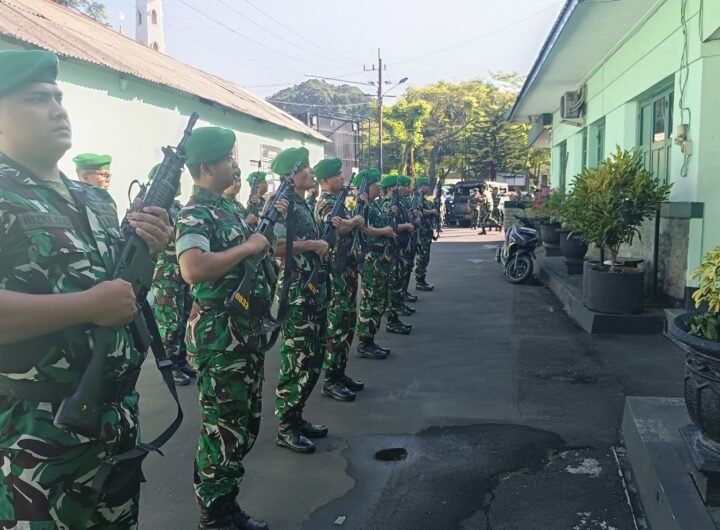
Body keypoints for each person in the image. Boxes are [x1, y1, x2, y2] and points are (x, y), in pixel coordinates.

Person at [0, 49, 172, 529]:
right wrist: (86, 306)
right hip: (35, 432)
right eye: (38, 99)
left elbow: (118, 289)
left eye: (59, 97)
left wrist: (151, 251)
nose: (57, 109)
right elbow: (97, 300)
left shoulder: (95, 199)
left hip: (113, 421)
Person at [176, 127, 285, 530]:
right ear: (207, 167)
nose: (233, 165)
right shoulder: (195, 213)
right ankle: (216, 512)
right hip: (220, 336)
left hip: (243, 331)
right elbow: (192, 268)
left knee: (243, 423)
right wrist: (248, 247)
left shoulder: (228, 208)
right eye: (227, 159)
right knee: (223, 426)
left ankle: (224, 500)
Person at [271, 147, 331, 455]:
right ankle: (286, 427)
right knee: (297, 361)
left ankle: (297, 416)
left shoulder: (302, 203)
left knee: (313, 359)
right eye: (306, 167)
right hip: (296, 295)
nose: (311, 171)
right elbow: (274, 245)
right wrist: (313, 244)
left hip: (312, 291)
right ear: (292, 175)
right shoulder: (282, 205)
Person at [313, 158, 366, 402]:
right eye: (337, 175)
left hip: (346, 272)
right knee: (337, 326)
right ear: (325, 180)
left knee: (347, 324)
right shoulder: (325, 203)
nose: (342, 178)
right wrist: (354, 221)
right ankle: (331, 379)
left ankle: (340, 372)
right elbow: (339, 228)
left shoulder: (338, 202)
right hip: (335, 275)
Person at [149, 163, 196, 387]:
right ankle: (170, 365)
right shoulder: (154, 207)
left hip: (179, 271)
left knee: (184, 316)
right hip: (166, 272)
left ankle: (180, 359)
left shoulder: (176, 206)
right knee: (170, 321)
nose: (178, 184)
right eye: (174, 180)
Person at [355, 169, 395, 358]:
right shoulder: (363, 207)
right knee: (371, 300)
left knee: (379, 299)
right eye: (374, 183)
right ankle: (365, 342)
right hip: (371, 258)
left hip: (380, 258)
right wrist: (384, 231)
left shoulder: (374, 205)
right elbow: (363, 230)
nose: (379, 186)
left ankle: (370, 339)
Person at [380, 175, 414, 335]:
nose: (400, 188)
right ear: (390, 188)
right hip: (391, 250)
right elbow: (390, 226)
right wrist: (406, 226)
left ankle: (396, 313)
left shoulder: (398, 203)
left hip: (399, 248)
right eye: (397, 186)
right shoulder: (387, 204)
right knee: (393, 284)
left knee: (398, 281)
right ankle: (392, 320)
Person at [414, 176, 440, 291]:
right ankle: (419, 280)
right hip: (422, 232)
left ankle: (421, 279)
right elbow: (419, 211)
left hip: (426, 231)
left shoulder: (423, 198)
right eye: (426, 185)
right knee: (422, 257)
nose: (428, 187)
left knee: (425, 257)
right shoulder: (417, 197)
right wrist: (432, 211)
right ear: (421, 186)